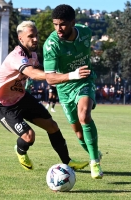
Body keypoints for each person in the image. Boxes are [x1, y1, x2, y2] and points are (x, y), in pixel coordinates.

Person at [0, 21, 88, 171]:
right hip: (3, 104)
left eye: (36, 35)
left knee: (52, 126)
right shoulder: (16, 56)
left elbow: (44, 70)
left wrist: (60, 74)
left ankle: (68, 162)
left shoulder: (33, 55)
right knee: (29, 136)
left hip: (21, 97)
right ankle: (20, 150)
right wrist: (70, 75)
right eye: (31, 36)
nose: (35, 39)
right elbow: (33, 74)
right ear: (20, 38)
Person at [43, 4, 103, 179]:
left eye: (62, 24)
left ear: (72, 23)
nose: (58, 29)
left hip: (85, 81)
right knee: (78, 131)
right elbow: (50, 78)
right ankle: (95, 152)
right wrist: (72, 74)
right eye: (55, 24)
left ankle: (95, 163)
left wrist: (81, 74)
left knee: (84, 116)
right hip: (64, 88)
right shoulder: (51, 45)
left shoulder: (85, 32)